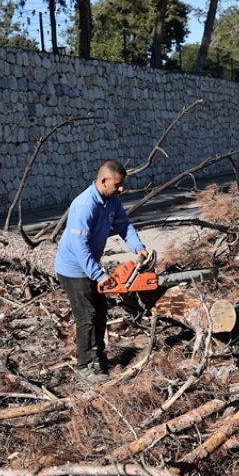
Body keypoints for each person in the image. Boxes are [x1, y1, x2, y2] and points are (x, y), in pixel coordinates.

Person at [54, 160, 148, 380]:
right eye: (118, 184)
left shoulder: (111, 200)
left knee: (101, 312)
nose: (122, 189)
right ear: (103, 181)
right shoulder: (84, 205)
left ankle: (97, 357)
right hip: (73, 269)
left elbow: (124, 225)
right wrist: (98, 274)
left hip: (89, 265)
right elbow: (80, 246)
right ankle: (84, 367)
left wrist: (139, 248)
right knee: (87, 315)